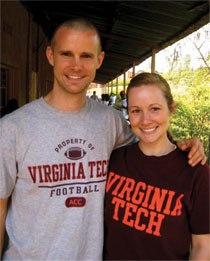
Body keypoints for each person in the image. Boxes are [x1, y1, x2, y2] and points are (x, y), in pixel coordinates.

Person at [0, 18, 206, 261]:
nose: (76, 66)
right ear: (50, 55)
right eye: (66, 53)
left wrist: (185, 144)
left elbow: (151, 140)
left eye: (86, 56)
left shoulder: (111, 121)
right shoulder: (12, 128)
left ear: (99, 60)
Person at [104, 73, 210, 260]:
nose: (145, 120)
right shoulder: (116, 159)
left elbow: (202, 245)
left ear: (171, 109)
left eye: (154, 109)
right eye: (136, 110)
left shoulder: (196, 171)